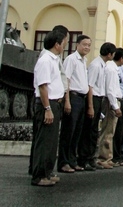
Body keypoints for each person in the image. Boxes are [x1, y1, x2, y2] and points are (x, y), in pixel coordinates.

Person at [30, 28, 68, 187]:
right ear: (57, 44)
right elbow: (43, 86)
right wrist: (47, 109)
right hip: (47, 103)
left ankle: (46, 172)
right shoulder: (45, 60)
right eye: (64, 42)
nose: (65, 45)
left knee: (51, 142)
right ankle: (38, 175)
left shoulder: (53, 59)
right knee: (44, 141)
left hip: (55, 102)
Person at [77, 42, 116, 171]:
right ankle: (84, 158)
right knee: (88, 130)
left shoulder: (103, 65)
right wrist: (90, 106)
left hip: (100, 99)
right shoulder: (95, 65)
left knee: (94, 131)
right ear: (109, 54)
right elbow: (90, 86)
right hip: (93, 98)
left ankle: (91, 158)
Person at [58, 34, 92, 173]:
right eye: (84, 44)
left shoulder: (84, 61)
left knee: (77, 132)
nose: (87, 47)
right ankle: (63, 162)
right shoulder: (71, 59)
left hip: (82, 98)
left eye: (89, 45)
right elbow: (67, 80)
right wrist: (67, 101)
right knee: (68, 132)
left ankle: (72, 160)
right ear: (77, 45)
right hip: (73, 97)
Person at [96, 48, 123, 169]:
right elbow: (110, 89)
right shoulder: (111, 69)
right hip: (111, 101)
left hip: (113, 100)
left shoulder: (113, 68)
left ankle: (108, 157)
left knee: (111, 131)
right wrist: (115, 106)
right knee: (108, 130)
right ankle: (103, 158)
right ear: (121, 58)